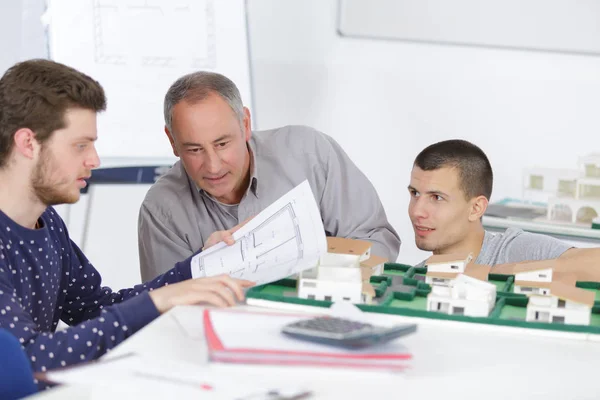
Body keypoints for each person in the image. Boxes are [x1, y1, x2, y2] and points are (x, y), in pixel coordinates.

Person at [0, 59, 253, 375]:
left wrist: (197, 267)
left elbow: (94, 310)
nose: (94, 160)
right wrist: (158, 300)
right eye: (80, 146)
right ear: (27, 143)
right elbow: (27, 360)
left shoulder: (47, 223)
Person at [138, 71, 400, 281]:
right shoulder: (162, 210)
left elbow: (375, 239)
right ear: (172, 142)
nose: (213, 166)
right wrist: (204, 264)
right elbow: (165, 309)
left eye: (222, 144)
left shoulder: (310, 153)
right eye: (194, 150)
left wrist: (326, 279)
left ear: (245, 124)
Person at [408, 139, 600, 280]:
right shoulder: (415, 277)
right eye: (415, 193)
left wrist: (493, 274)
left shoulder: (515, 249)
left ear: (476, 208)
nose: (418, 211)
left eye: (437, 197)